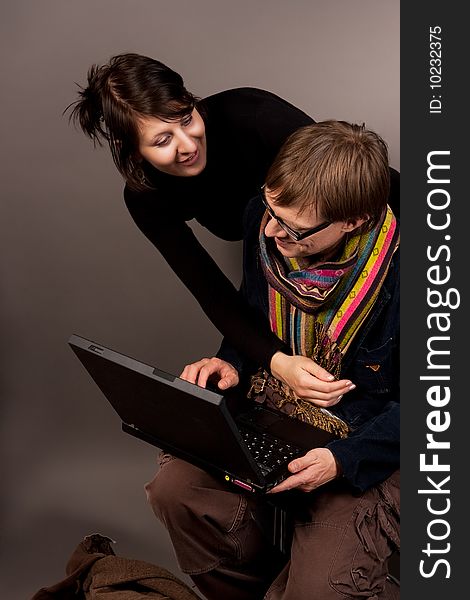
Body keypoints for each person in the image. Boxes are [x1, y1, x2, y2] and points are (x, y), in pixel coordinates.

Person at [145, 121, 400, 600]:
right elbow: (253, 314)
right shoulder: (265, 221)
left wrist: (341, 460)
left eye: (294, 229)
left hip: (372, 441)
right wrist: (233, 363)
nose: (268, 231)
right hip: (277, 412)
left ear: (355, 220)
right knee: (175, 492)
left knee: (320, 591)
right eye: (269, 210)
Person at [67, 52, 400, 401]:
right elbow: (211, 291)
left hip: (357, 246)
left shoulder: (252, 115)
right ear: (133, 151)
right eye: (162, 140)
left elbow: (354, 176)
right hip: (281, 272)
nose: (187, 144)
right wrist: (278, 362)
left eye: (186, 118)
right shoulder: (146, 198)